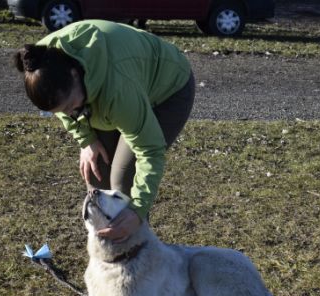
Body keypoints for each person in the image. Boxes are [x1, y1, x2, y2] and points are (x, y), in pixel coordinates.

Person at [14, 20, 195, 242]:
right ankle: (106, 251)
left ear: (74, 75)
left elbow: (149, 150)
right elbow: (64, 108)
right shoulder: (41, 64)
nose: (71, 115)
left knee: (123, 183)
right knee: (96, 170)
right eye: (62, 112)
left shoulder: (117, 89)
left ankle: (137, 258)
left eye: (72, 108)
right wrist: (86, 139)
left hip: (167, 89)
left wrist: (136, 212)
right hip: (108, 93)